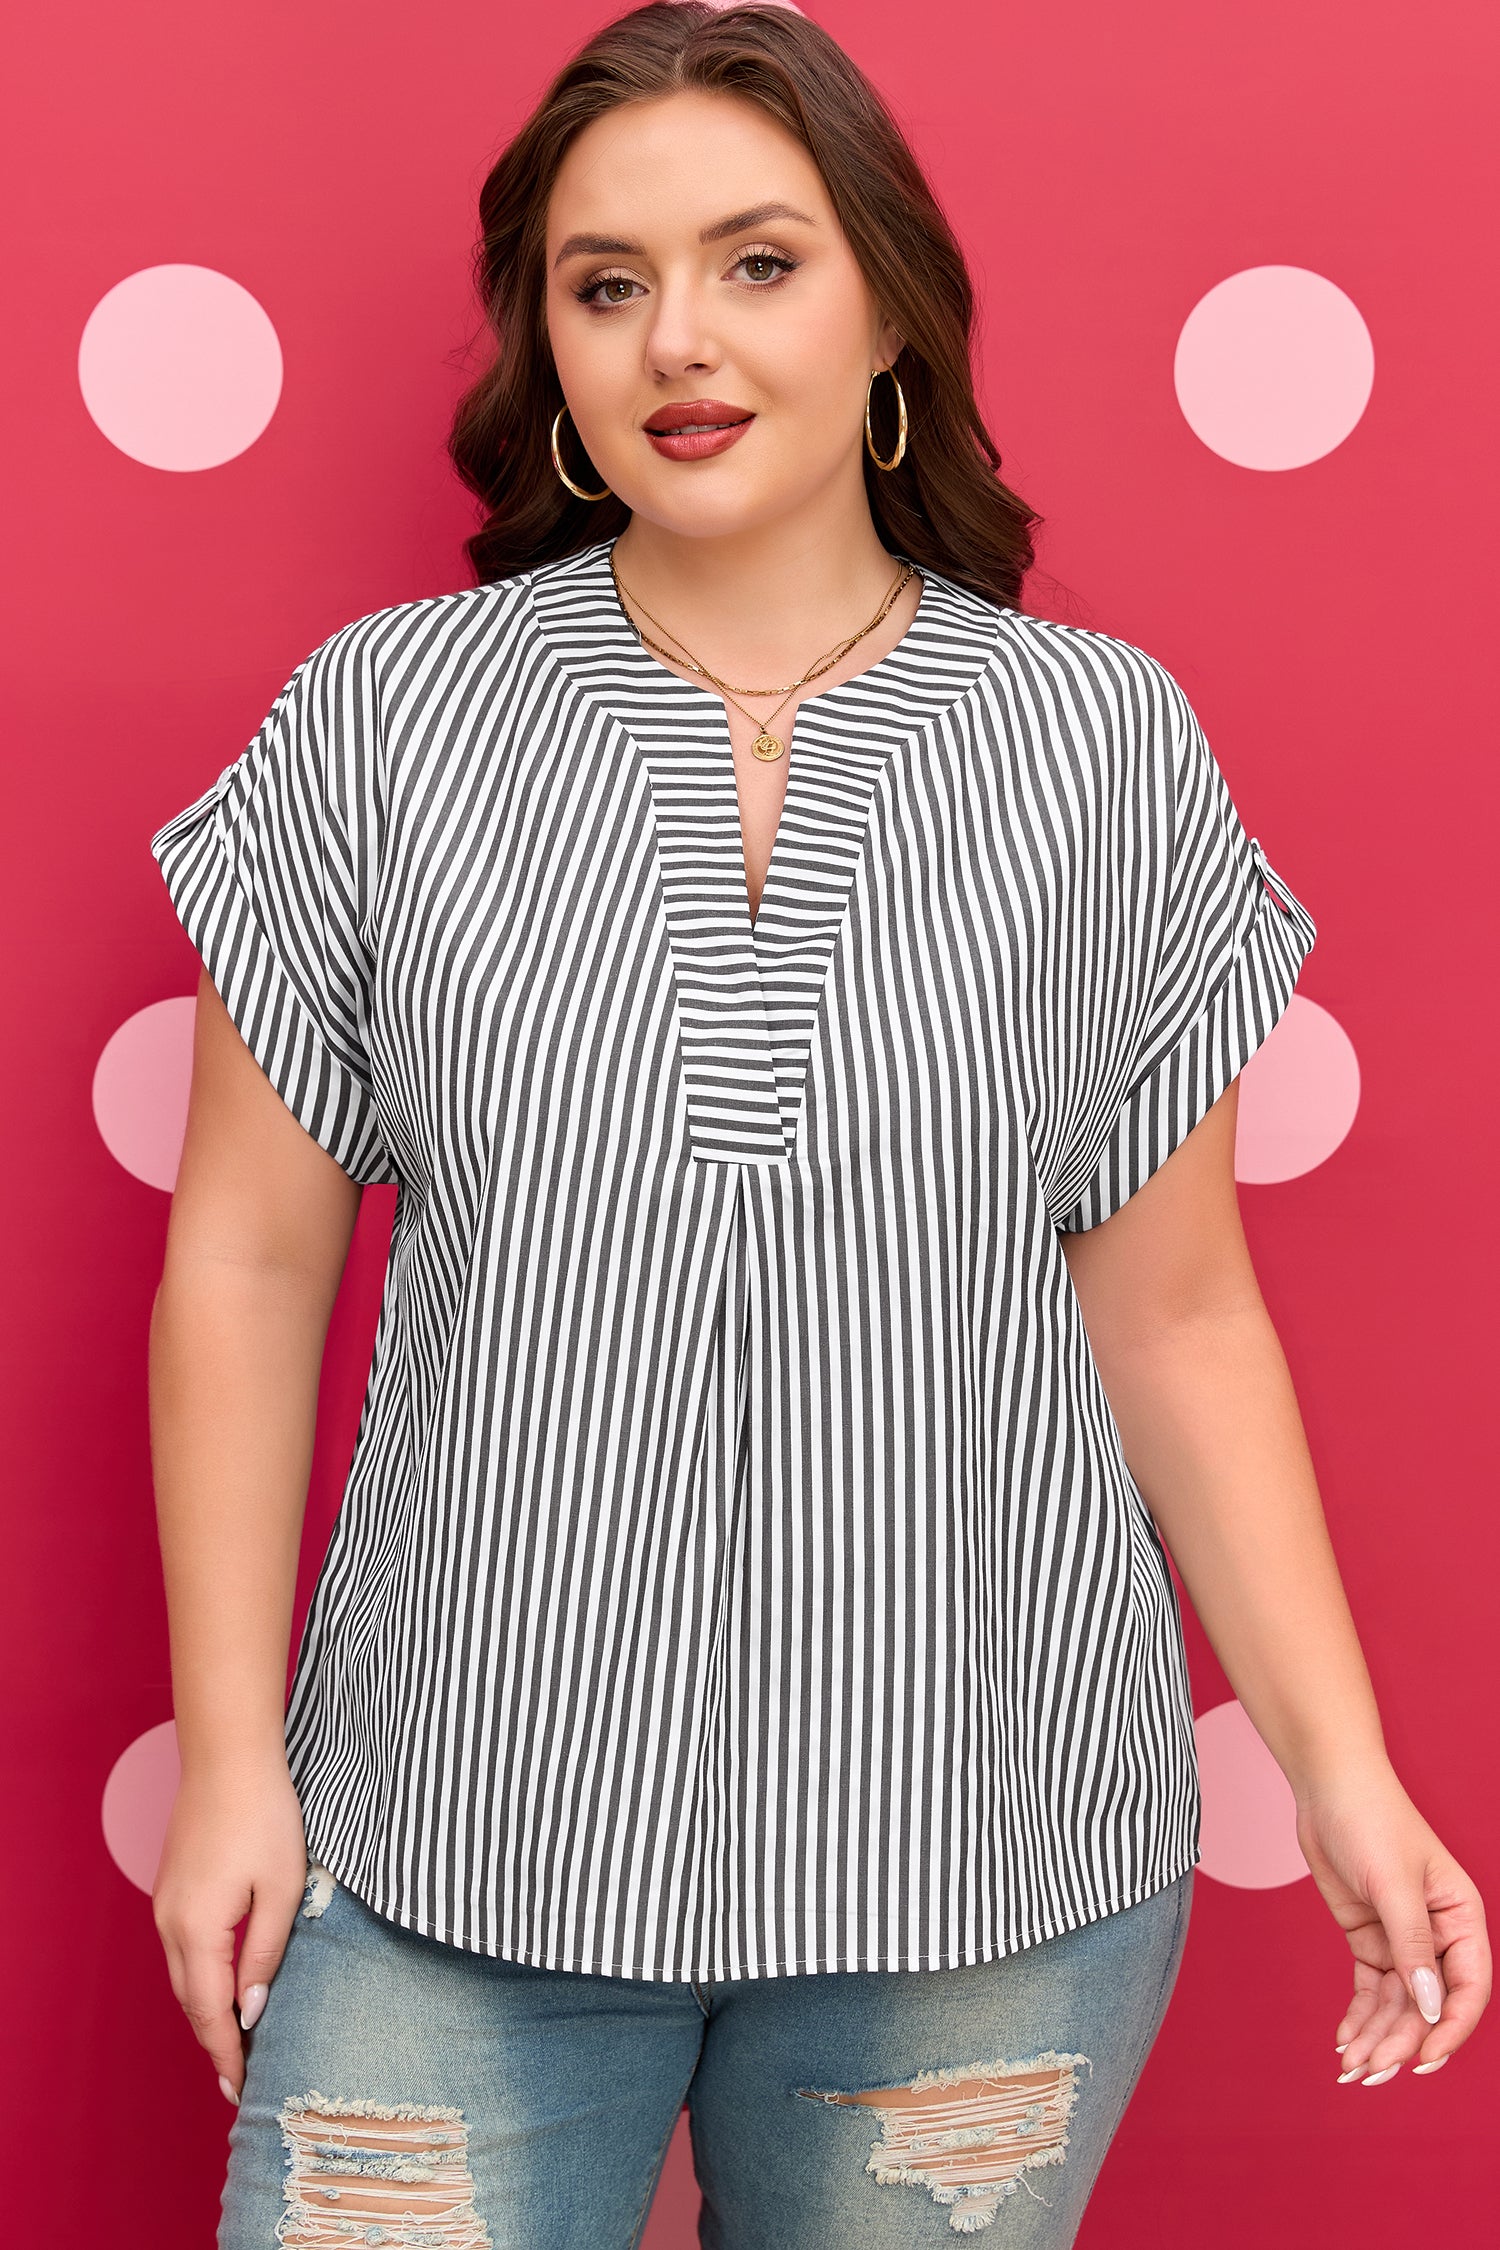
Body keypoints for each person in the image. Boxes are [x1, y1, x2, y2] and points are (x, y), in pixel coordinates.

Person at [145, 6, 1489, 2245]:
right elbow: (247, 1259)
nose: (677, 339)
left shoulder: (1101, 748)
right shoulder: (383, 726)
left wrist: (1342, 1771)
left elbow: (1177, 1317)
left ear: (889, 312)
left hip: (986, 1868)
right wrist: (230, 1763)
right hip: (454, 1828)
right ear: (552, 346)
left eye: (757, 262)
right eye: (606, 283)